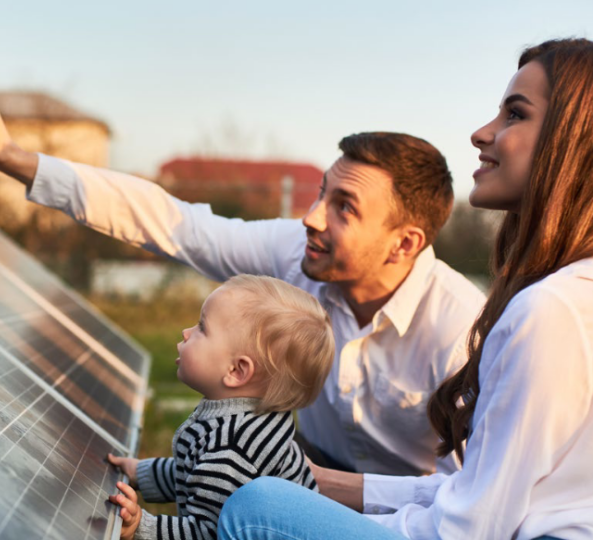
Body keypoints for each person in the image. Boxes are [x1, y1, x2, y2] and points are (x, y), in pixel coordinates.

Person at [0, 61, 486, 476]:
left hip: (409, 514)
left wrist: (315, 492)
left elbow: (468, 501)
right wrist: (12, 156)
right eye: (323, 192)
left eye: (344, 207)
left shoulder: (462, 331)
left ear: (403, 243)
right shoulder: (297, 254)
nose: (312, 217)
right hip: (306, 466)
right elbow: (171, 222)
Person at [215, 38, 593, 540]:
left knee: (255, 508)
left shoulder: (547, 311)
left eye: (514, 115)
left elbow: (468, 528)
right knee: (278, 491)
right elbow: (478, 490)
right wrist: (318, 483)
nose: (482, 133)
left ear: (573, 142)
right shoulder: (566, 294)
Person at [104, 274, 335, 539]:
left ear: (237, 371)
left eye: (202, 327)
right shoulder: (248, 418)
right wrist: (140, 474)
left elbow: (208, 533)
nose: (186, 332)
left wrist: (141, 526)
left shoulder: (231, 451)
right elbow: (194, 475)